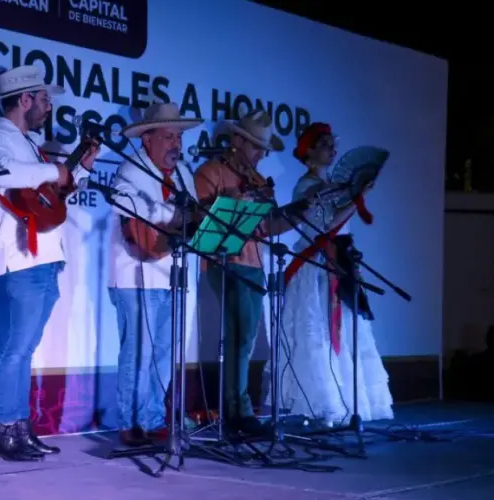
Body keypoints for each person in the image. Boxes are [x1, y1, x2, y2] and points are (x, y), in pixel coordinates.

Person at [0, 65, 99, 461]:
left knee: (23, 349)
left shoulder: (27, 142)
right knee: (12, 347)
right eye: (45, 98)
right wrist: (56, 169)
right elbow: (4, 172)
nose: (49, 107)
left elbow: (50, 193)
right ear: (24, 99)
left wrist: (78, 168)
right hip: (17, 260)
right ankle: (2, 431)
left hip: (42, 259)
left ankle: (19, 428)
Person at [264, 122, 393, 427]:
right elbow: (325, 225)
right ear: (308, 152)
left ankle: (347, 403)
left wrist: (356, 196)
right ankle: (324, 405)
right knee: (318, 332)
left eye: (333, 144)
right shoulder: (306, 187)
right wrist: (354, 198)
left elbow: (337, 219)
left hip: (337, 260)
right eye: (324, 144)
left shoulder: (329, 187)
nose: (332, 150)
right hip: (316, 265)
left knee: (343, 332)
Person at [193, 110, 306, 436]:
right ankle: (236, 411)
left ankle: (240, 409)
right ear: (237, 140)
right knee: (239, 336)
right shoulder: (210, 172)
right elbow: (201, 219)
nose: (261, 154)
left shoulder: (258, 181)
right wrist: (234, 199)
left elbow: (266, 228)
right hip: (224, 261)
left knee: (247, 339)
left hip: (254, 264)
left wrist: (297, 215)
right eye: (256, 146)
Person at [107, 102, 202, 446]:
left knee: (165, 351)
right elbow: (126, 205)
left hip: (173, 273)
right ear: (147, 139)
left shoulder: (183, 175)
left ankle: (153, 418)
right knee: (138, 351)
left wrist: (180, 216)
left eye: (178, 136)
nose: (175, 144)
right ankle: (130, 422)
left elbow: (190, 215)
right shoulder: (131, 169)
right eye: (168, 136)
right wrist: (172, 214)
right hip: (136, 275)